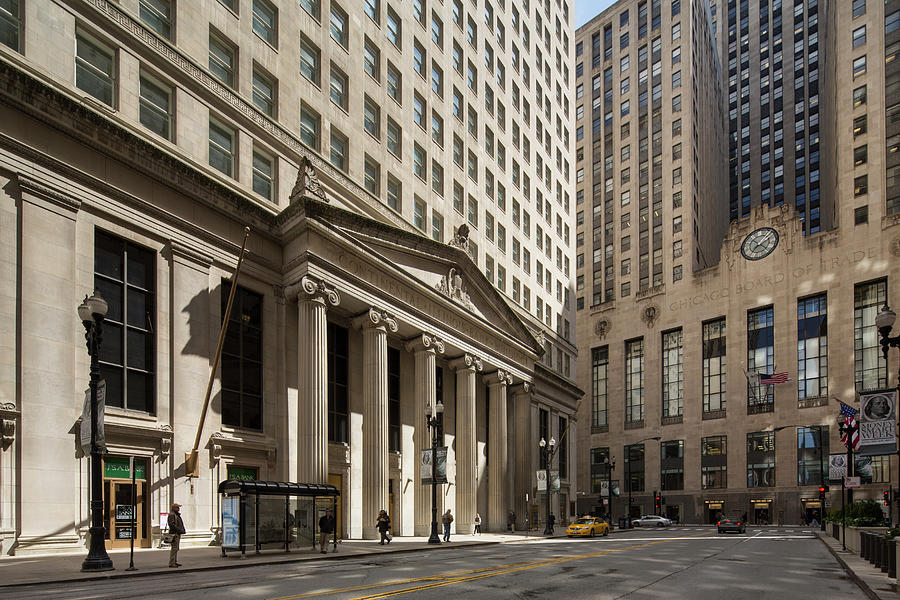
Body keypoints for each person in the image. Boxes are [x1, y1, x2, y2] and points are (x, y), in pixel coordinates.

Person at [167, 502, 186, 568]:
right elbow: (172, 525)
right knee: (174, 548)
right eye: (177, 507)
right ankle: (172, 563)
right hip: (174, 534)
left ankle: (174, 561)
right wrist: (179, 530)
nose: (179, 509)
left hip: (177, 533)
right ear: (174, 508)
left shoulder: (176, 515)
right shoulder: (172, 515)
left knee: (176, 548)